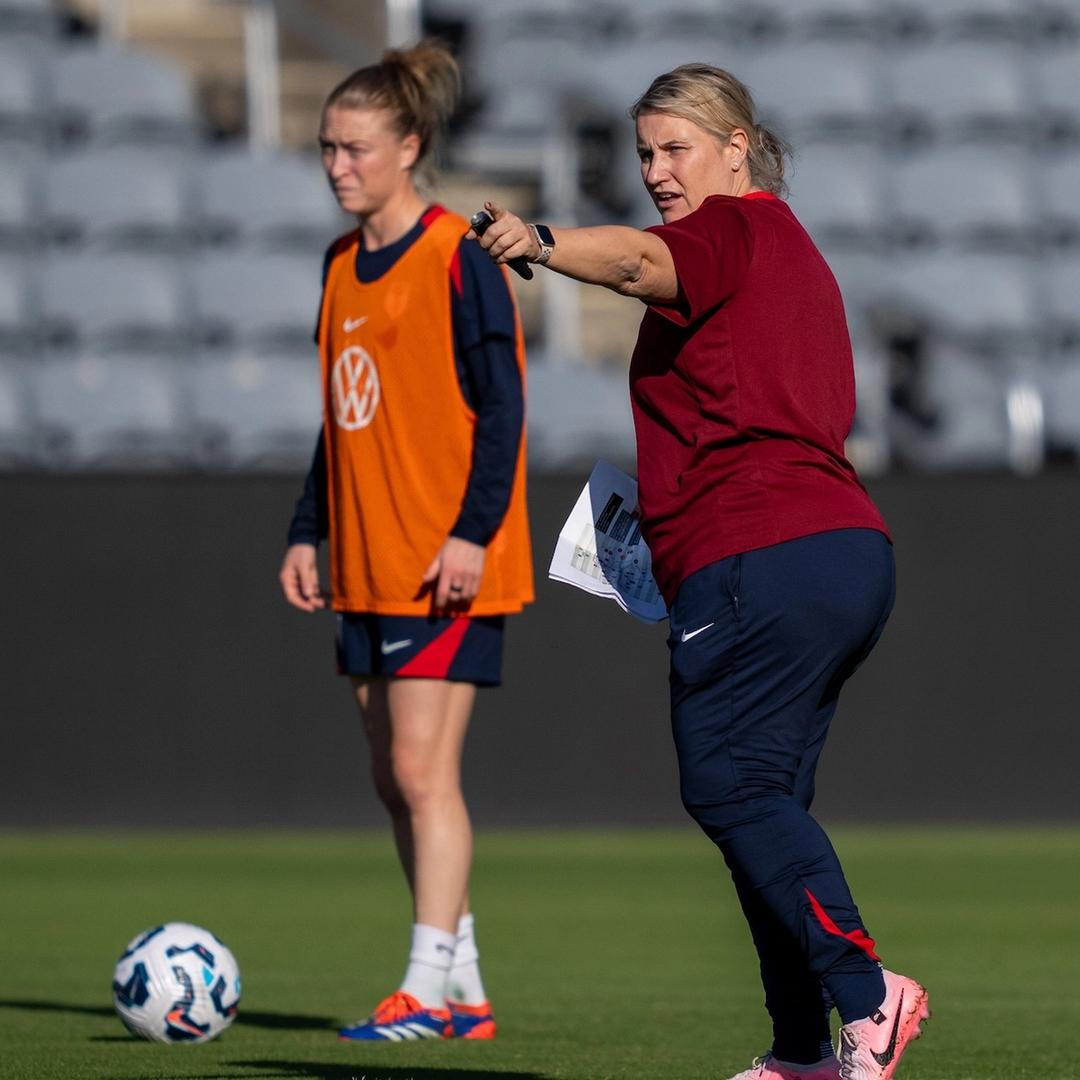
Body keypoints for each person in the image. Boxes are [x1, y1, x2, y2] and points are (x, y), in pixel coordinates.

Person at [473, 64, 928, 1080]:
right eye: (644, 152)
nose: (656, 171)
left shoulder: (730, 231)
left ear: (737, 148)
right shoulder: (793, 252)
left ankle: (867, 996)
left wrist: (543, 241)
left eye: (677, 148)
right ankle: (805, 1051)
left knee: (729, 788)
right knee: (764, 807)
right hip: (840, 549)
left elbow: (637, 263)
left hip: (759, 551)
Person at [279, 41, 533, 1043]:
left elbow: (505, 407)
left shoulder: (458, 255)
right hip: (365, 559)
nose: (338, 166)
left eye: (354, 148)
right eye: (326, 149)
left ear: (409, 146)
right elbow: (337, 418)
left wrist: (473, 531)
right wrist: (309, 529)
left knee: (427, 774)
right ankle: (462, 989)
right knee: (393, 776)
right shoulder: (341, 263)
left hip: (445, 560)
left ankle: (425, 990)